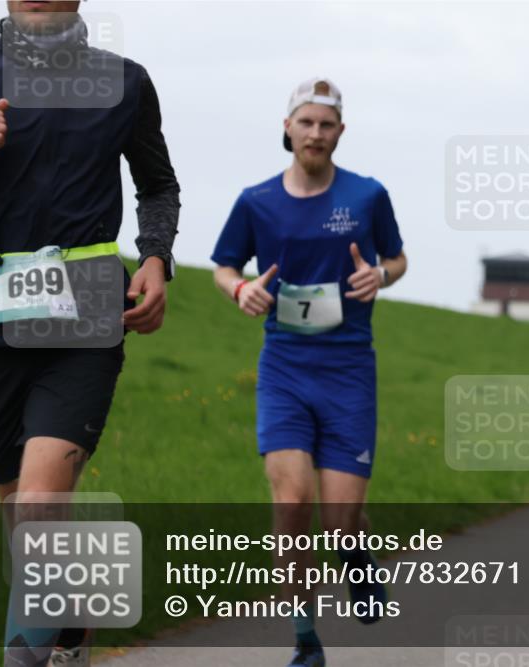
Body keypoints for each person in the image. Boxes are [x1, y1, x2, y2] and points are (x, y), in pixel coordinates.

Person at [0, 2, 180, 665]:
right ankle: (70, 630)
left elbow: (157, 185)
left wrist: (155, 257)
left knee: (38, 506)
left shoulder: (124, 81)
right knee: (24, 520)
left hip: (86, 316)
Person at [211, 77, 406, 667]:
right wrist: (240, 289)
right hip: (285, 369)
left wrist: (381, 276)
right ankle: (304, 639)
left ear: (340, 132)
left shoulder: (367, 195)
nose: (316, 133)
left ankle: (356, 555)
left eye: (326, 124)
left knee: (340, 522)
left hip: (349, 370)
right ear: (287, 127)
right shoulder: (256, 200)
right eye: (306, 122)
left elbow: (397, 258)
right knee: (292, 504)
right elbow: (223, 266)